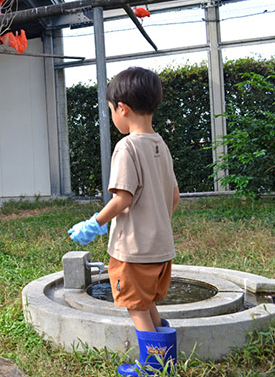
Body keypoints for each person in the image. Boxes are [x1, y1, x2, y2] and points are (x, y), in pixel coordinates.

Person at [68, 67, 180, 376]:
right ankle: (166, 362)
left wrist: (94, 223)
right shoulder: (160, 145)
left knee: (135, 305)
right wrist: (159, 225)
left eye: (110, 110)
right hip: (161, 248)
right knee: (148, 303)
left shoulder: (127, 147)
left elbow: (123, 199)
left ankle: (153, 369)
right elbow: (175, 196)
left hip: (133, 249)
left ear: (122, 108)